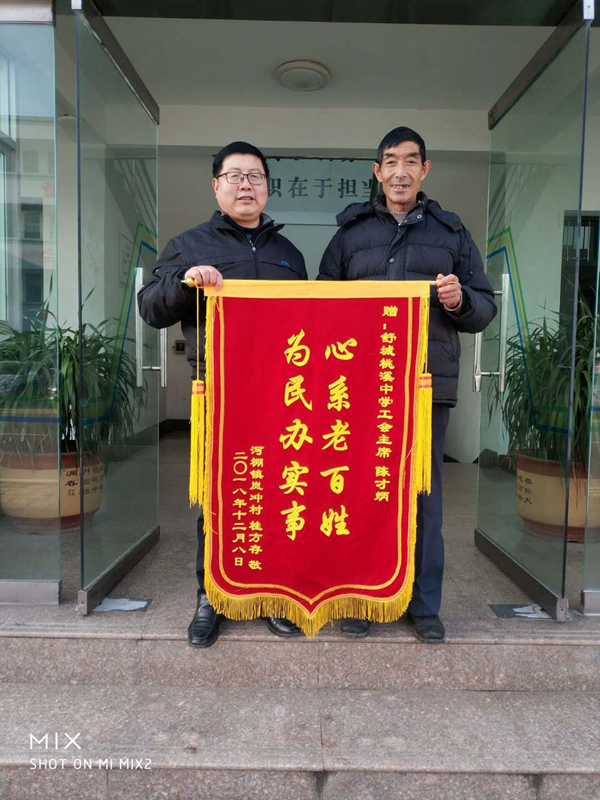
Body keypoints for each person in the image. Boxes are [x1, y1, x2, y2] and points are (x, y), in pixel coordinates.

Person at [317, 126, 497, 644]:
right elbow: (321, 304)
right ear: (377, 171)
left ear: (425, 170)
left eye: (411, 161)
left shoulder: (451, 234)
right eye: (391, 162)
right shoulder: (349, 234)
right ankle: (362, 598)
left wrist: (460, 300)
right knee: (359, 492)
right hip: (359, 387)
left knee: (423, 496)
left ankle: (423, 605)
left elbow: (484, 307)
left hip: (424, 385)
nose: (400, 172)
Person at [138, 141, 308, 648]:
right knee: (220, 496)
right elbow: (150, 307)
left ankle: (272, 595)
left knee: (277, 494)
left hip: (282, 395)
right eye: (234, 176)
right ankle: (210, 597)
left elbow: (310, 321)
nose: (245, 185)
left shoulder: (289, 254)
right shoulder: (188, 245)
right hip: (220, 392)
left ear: (267, 187)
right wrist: (185, 282)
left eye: (255, 176)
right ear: (216, 186)